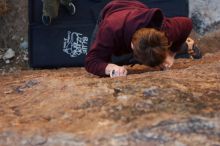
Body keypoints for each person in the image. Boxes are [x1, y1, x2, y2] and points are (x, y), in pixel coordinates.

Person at [85, 0, 201, 77]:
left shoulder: (166, 29)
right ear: (132, 46)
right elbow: (91, 61)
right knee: (113, 60)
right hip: (112, 11)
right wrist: (110, 68)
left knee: (154, 54)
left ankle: (185, 45)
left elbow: (187, 23)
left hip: (136, 8)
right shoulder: (109, 29)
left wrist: (171, 54)